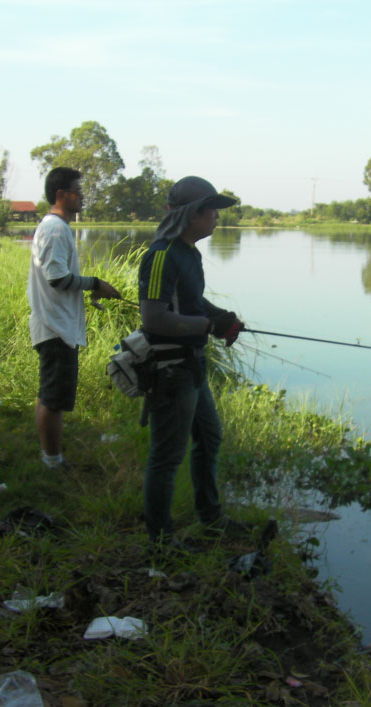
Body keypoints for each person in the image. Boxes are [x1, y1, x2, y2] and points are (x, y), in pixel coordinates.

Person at [137, 175, 250, 549]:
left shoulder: (189, 254)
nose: (217, 217)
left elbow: (191, 304)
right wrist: (207, 324)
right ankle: (161, 543)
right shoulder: (161, 256)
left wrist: (222, 317)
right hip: (170, 372)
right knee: (166, 458)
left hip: (193, 366)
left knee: (209, 436)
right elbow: (153, 318)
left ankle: (212, 518)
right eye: (212, 210)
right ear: (192, 214)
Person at [28, 166, 121, 470]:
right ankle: (52, 460)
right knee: (53, 398)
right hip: (56, 326)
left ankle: (50, 455)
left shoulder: (55, 227)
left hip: (55, 324)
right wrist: (95, 283)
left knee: (50, 395)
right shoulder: (55, 229)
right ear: (60, 195)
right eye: (78, 191)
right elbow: (56, 277)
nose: (82, 197)